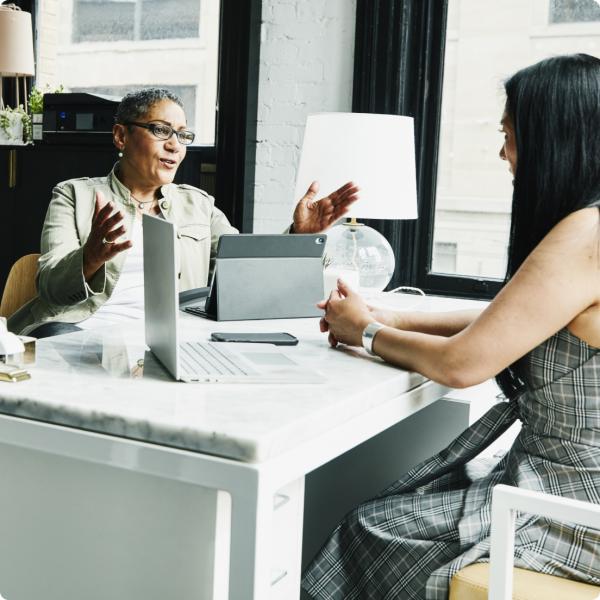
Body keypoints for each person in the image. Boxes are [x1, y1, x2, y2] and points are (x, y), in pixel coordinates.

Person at [302, 53, 600, 599]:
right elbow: (517, 318)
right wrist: (385, 315)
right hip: (568, 487)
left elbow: (462, 365)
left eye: (510, 134)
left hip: (572, 505)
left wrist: (363, 333)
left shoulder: (588, 233)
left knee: (369, 528)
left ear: (556, 137)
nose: (503, 151)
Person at [8, 88, 359, 337]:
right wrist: (91, 257)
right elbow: (51, 287)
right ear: (120, 136)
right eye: (160, 130)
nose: (175, 145)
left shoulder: (198, 204)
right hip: (78, 331)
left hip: (171, 341)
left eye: (182, 134)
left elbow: (245, 270)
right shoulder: (75, 195)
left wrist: (301, 236)